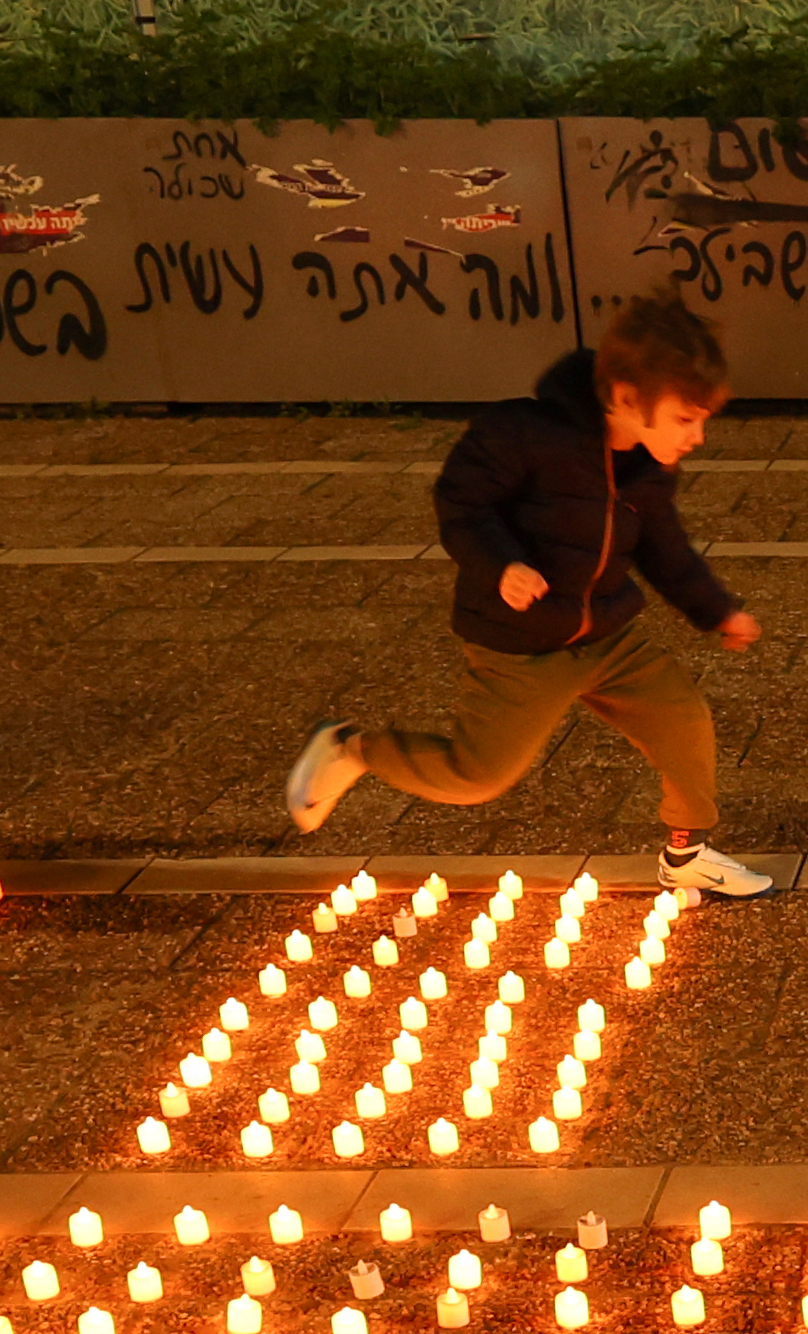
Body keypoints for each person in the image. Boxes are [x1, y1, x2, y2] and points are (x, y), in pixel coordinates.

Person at [281, 294, 778, 900]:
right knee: (476, 775)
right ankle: (353, 747)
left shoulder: (646, 466)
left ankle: (686, 855)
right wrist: (504, 566)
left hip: (606, 637)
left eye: (703, 420)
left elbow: (662, 546)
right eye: (685, 419)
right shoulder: (523, 433)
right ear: (626, 398)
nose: (698, 436)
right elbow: (462, 504)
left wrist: (717, 610)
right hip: (521, 646)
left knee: (684, 721)